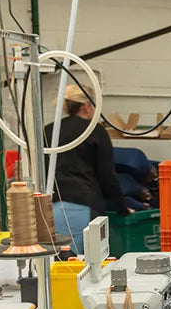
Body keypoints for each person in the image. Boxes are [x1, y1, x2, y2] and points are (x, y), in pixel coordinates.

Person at [43, 83, 129, 253]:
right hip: (83, 207)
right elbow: (107, 176)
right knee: (87, 266)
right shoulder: (95, 131)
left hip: (51, 209)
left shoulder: (48, 130)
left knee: (57, 263)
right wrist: (122, 208)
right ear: (87, 106)